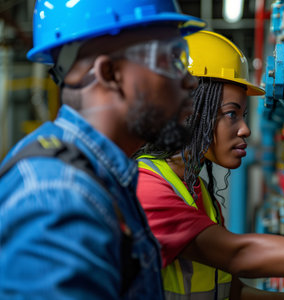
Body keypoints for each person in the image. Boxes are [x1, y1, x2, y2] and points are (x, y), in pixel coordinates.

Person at [0, 1, 205, 299]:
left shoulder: (98, 177)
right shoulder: (59, 197)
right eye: (172, 58)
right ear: (110, 73)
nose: (190, 80)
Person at [135, 31, 284, 300]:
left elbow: (232, 291)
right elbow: (238, 255)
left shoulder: (195, 189)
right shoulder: (146, 188)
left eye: (243, 115)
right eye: (231, 114)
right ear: (189, 112)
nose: (245, 129)